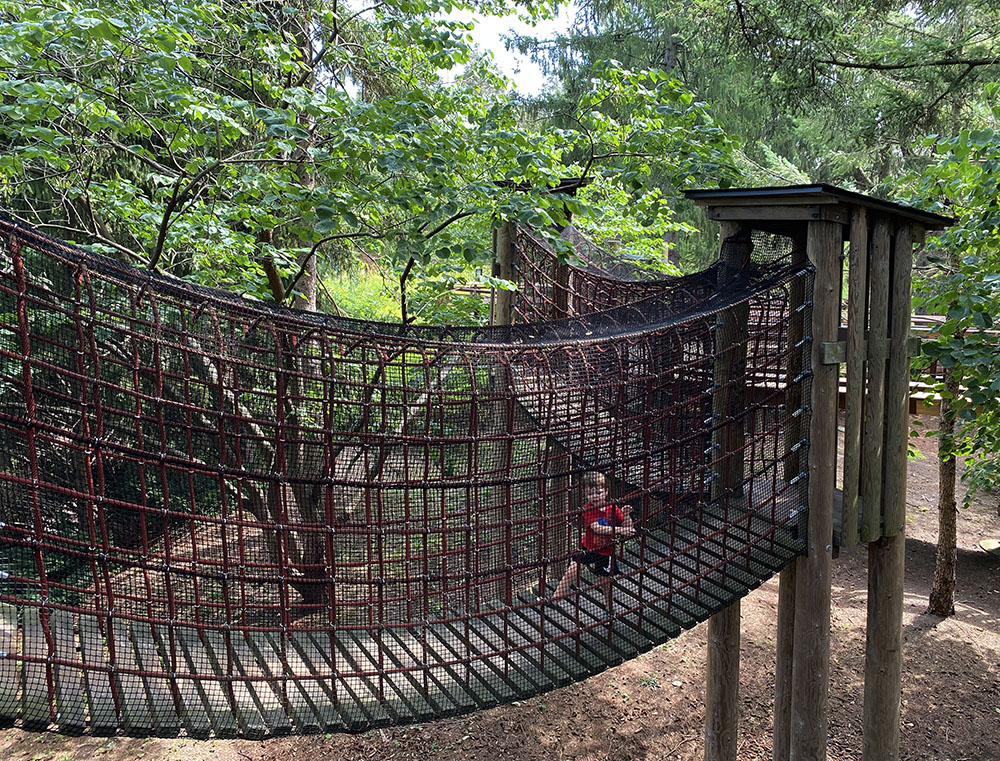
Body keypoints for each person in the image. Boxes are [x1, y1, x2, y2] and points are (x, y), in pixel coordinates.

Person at [552, 471, 635, 615]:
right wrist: (621, 531)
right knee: (572, 570)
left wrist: (626, 515)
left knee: (605, 582)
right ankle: (554, 599)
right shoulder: (588, 509)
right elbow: (598, 528)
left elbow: (628, 527)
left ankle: (609, 608)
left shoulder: (612, 508)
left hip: (605, 551)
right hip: (588, 547)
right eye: (590, 494)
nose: (594, 497)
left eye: (598, 492)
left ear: (606, 492)